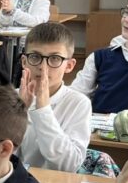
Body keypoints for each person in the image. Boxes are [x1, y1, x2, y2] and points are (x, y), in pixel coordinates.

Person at [17, 22, 91, 173]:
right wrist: (18, 113)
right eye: (35, 57)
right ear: (24, 62)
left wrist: (43, 110)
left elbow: (69, 165)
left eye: (55, 58)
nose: (43, 67)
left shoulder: (78, 103)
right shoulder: (10, 97)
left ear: (69, 65)